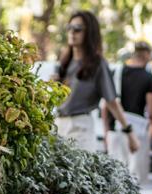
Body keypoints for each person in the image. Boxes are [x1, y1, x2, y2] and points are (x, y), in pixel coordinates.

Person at [54, 10, 139, 155]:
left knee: (79, 177)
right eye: (70, 28)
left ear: (89, 33)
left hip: (81, 127)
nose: (72, 32)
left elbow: (112, 102)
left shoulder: (97, 64)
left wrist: (129, 132)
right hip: (58, 126)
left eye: (78, 29)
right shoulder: (64, 61)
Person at [103, 41, 152, 184]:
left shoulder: (117, 73)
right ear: (146, 54)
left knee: (114, 176)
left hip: (116, 128)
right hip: (137, 131)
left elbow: (106, 105)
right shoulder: (149, 78)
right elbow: (151, 111)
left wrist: (106, 131)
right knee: (133, 178)